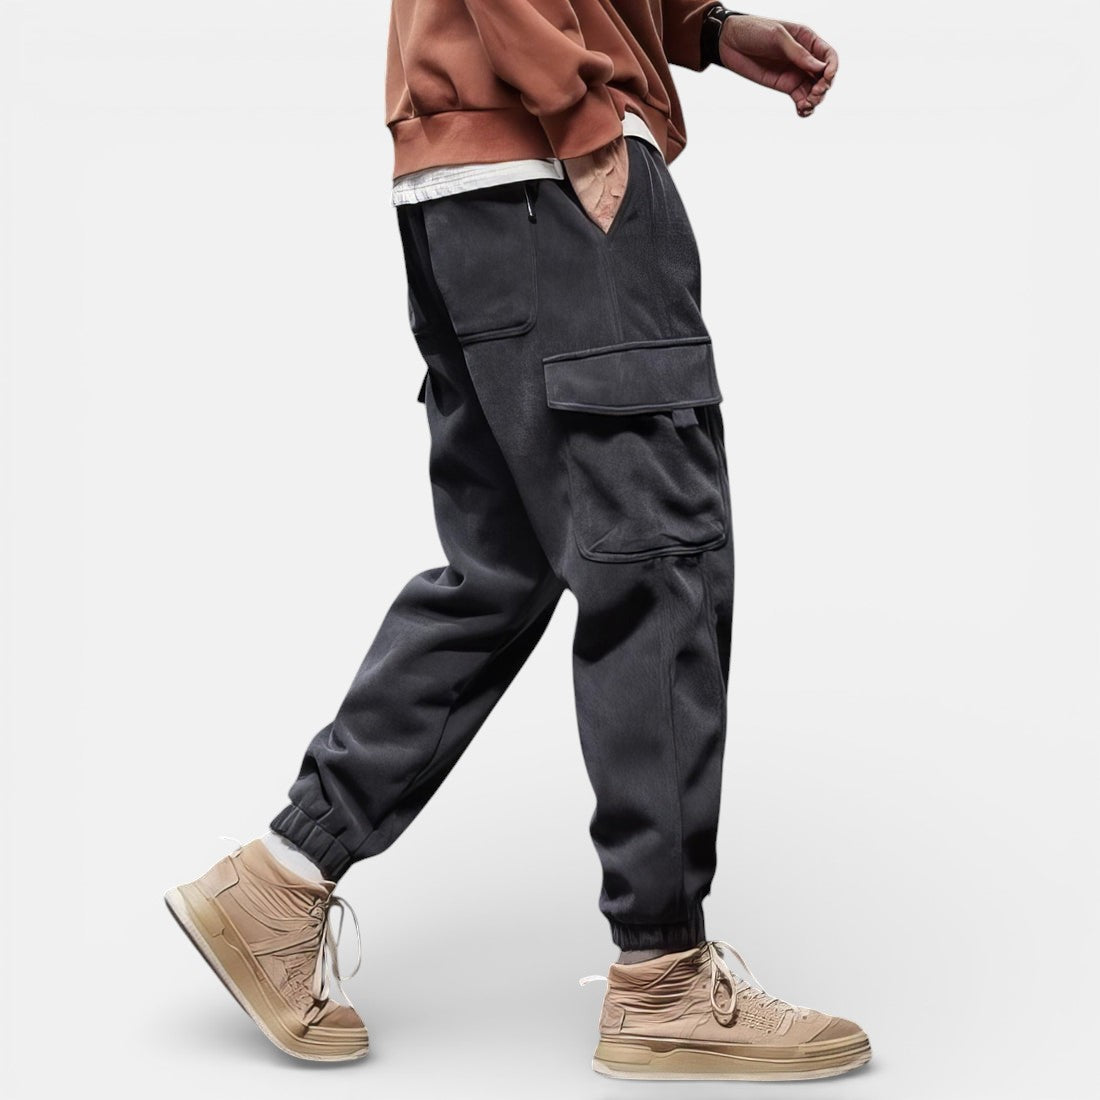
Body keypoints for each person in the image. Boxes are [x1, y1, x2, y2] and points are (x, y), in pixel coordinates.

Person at [165, 2, 869, 1080]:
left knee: (502, 572)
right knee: (657, 563)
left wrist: (704, 28)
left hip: (470, 188)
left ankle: (279, 879)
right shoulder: (569, 132)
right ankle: (665, 979)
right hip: (548, 165)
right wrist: (580, 113)